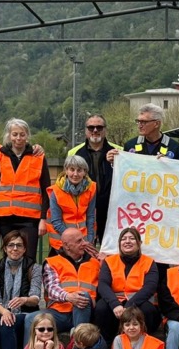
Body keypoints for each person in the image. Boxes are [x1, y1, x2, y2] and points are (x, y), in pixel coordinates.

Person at [0, 118, 49, 264]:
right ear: (9, 135)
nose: (18, 138)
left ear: (27, 135)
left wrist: (43, 219)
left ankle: (28, 287)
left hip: (30, 219)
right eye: (15, 134)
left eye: (22, 134)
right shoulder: (0, 156)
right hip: (5, 218)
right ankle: (9, 287)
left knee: (28, 258)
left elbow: (46, 191)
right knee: (10, 258)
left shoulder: (38, 156)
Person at [94, 226, 160, 338]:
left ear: (139, 243)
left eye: (132, 238)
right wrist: (115, 304)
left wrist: (129, 306)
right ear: (119, 243)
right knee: (101, 307)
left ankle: (142, 344)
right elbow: (103, 285)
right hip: (116, 301)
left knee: (147, 310)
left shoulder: (149, 262)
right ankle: (107, 345)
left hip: (139, 301)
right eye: (124, 239)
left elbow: (150, 287)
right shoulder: (109, 261)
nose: (127, 241)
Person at [66, 113, 121, 246]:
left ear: (105, 130)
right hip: (84, 210)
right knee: (84, 250)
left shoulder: (119, 151)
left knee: (111, 251)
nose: (95, 130)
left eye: (99, 127)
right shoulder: (73, 153)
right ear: (85, 130)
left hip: (111, 210)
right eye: (91, 128)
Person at [44, 227, 101, 335]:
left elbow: (106, 285)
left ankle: (78, 342)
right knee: (30, 318)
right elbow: (51, 288)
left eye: (83, 239)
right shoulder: (52, 262)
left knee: (82, 296)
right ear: (66, 246)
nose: (84, 243)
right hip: (59, 312)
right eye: (79, 241)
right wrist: (69, 297)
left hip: (86, 311)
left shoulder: (95, 263)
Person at [45, 154, 97, 251]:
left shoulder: (91, 188)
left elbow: (91, 217)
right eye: (72, 169)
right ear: (66, 170)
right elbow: (56, 222)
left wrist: (89, 240)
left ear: (85, 172)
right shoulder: (55, 191)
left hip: (84, 240)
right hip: (61, 241)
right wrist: (73, 240)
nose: (75, 174)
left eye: (79, 170)